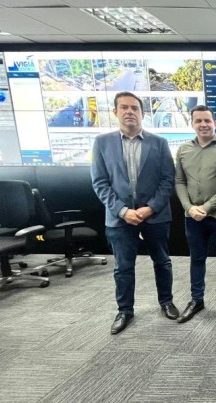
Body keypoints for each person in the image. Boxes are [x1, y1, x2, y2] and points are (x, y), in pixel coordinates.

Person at [91, 91, 177, 335]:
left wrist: (150, 207)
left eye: (134, 108)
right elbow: (100, 183)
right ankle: (125, 310)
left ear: (142, 113)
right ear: (115, 112)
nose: (129, 112)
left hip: (155, 215)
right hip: (120, 218)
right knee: (123, 267)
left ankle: (166, 302)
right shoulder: (102, 143)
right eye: (124, 107)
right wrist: (122, 210)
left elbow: (167, 180)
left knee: (162, 261)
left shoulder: (159, 143)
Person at [174, 105, 216, 323]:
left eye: (207, 120)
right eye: (198, 121)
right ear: (192, 123)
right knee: (197, 259)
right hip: (193, 217)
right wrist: (189, 207)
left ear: (215, 123)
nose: (203, 124)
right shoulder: (183, 150)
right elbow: (179, 181)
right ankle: (196, 300)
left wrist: (207, 207)